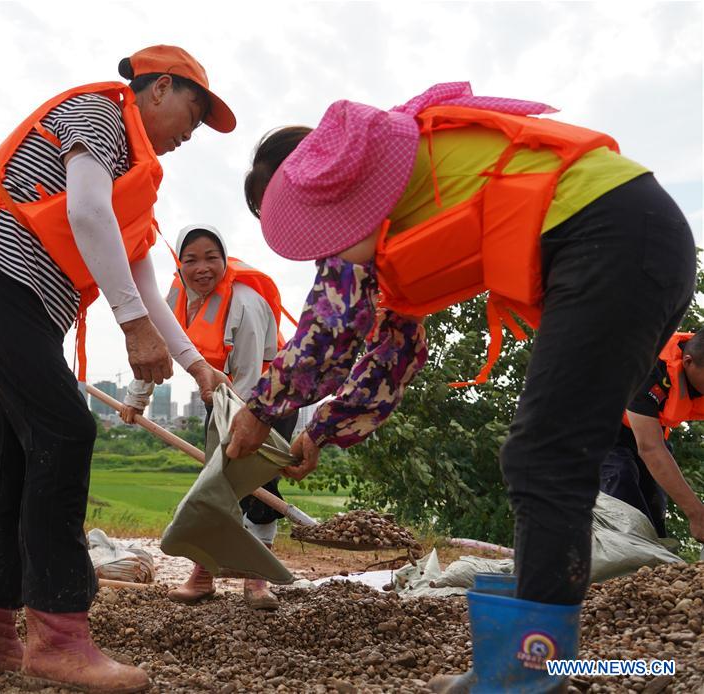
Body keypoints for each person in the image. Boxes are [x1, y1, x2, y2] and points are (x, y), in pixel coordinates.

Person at [226, 82, 696, 692]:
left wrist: (262, 409)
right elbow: (395, 350)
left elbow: (329, 332)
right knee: (554, 454)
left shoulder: (349, 186)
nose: (303, 239)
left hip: (607, 236)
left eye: (283, 212)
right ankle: (530, 668)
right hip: (638, 236)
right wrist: (322, 429)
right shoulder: (384, 195)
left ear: (310, 177)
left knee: (544, 455)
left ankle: (522, 675)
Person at [0, 45, 234, 691]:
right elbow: (86, 213)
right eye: (193, 108)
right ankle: (58, 635)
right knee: (65, 434)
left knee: (21, 457)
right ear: (157, 90)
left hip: (13, 297)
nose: (193, 129)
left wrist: (195, 365)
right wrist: (130, 328)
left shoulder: (134, 174)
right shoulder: (100, 113)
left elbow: (145, 282)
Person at [121, 224, 297, 610]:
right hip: (219, 398)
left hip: (269, 401)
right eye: (191, 259)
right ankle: (203, 576)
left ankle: (257, 580)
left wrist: (246, 427)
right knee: (212, 487)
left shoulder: (246, 303)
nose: (202, 268)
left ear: (224, 259)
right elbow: (154, 348)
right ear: (179, 264)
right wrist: (137, 399)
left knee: (257, 486)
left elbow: (251, 377)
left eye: (212, 258)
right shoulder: (175, 295)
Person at [601, 331, 704, 540]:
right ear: (688, 362)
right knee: (622, 480)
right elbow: (650, 448)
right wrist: (697, 513)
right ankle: (627, 561)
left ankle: (654, 566)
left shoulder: (697, 373)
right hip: (600, 424)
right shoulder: (647, 365)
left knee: (654, 506)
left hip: (648, 430)